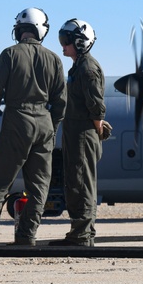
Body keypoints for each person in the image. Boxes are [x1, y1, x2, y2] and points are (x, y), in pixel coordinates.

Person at [0, 7, 66, 246]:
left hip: (17, 120)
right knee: (39, 187)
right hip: (44, 123)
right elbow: (60, 103)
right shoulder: (54, 59)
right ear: (41, 31)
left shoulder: (9, 55)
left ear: (19, 31)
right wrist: (52, 130)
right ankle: (26, 235)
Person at [49, 19, 107, 247]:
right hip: (76, 133)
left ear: (81, 43)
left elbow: (96, 105)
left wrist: (98, 126)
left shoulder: (87, 68)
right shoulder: (78, 66)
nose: (62, 46)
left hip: (83, 133)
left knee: (81, 182)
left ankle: (81, 234)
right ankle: (82, 232)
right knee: (76, 181)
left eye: (66, 41)